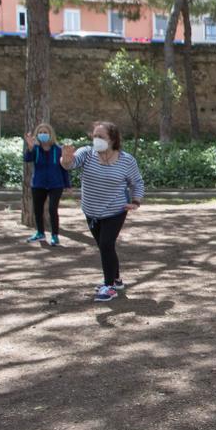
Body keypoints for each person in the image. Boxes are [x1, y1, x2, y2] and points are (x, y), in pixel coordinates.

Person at [60, 121, 145, 302]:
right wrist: (66, 160)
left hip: (116, 210)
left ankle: (109, 287)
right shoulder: (87, 153)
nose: (96, 140)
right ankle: (116, 279)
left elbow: (137, 182)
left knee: (106, 244)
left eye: (101, 137)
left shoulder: (126, 160)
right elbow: (70, 164)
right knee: (105, 246)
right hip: (91, 211)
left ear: (113, 139)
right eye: (95, 136)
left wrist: (136, 201)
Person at [23, 123, 70, 246]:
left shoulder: (58, 149)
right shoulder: (36, 149)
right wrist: (30, 147)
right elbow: (27, 159)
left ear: (51, 134)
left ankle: (55, 236)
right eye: (40, 132)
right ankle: (40, 233)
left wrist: (67, 185)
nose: (43, 134)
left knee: (52, 209)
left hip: (56, 184)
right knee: (38, 210)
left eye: (45, 132)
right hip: (38, 183)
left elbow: (64, 167)